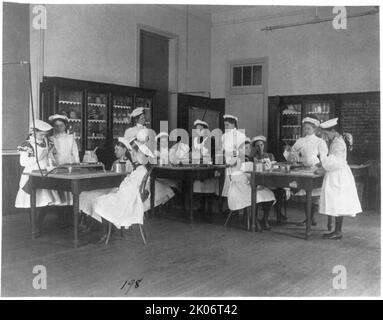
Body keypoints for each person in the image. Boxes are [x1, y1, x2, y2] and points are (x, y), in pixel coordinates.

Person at [91, 139, 155, 243]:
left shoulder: (140, 171)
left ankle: (106, 233)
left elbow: (130, 189)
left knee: (101, 200)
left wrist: (119, 193)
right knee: (104, 198)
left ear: (141, 156)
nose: (132, 156)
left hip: (128, 199)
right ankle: (107, 232)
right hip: (127, 196)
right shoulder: (140, 170)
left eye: (134, 154)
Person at [15, 120, 62, 234]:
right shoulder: (27, 144)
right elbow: (23, 162)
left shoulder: (46, 142)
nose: (43, 136)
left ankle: (38, 223)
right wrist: (39, 157)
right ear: (34, 132)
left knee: (46, 201)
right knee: (33, 201)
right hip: (32, 174)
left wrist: (52, 160)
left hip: (45, 174)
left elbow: (49, 157)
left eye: (45, 134)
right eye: (41, 134)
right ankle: (34, 226)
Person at [318, 118, 362, 240]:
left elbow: (331, 163)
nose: (325, 137)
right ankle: (337, 230)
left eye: (326, 134)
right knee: (337, 202)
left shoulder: (337, 143)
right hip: (338, 173)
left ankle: (338, 231)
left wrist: (322, 154)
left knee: (337, 201)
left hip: (338, 175)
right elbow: (332, 161)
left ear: (333, 131)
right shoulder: (337, 139)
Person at [79, 137, 134, 229]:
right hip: (112, 187)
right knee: (85, 194)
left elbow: (127, 182)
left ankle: (96, 224)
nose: (115, 151)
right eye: (115, 149)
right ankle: (86, 221)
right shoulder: (115, 162)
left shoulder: (128, 164)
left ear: (124, 150)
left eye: (117, 149)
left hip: (120, 190)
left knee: (95, 197)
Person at [286, 116, 328, 226]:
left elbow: (324, 157)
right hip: (303, 168)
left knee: (313, 194)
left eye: (308, 128)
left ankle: (311, 218)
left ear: (314, 129)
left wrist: (320, 167)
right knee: (304, 194)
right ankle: (308, 218)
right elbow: (292, 153)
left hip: (315, 168)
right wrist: (293, 155)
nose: (306, 130)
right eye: (305, 128)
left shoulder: (320, 141)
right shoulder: (300, 140)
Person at [227, 140, 276, 230]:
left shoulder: (250, 159)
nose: (249, 149)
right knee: (256, 195)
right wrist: (248, 181)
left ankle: (264, 219)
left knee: (269, 193)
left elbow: (254, 172)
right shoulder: (236, 159)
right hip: (239, 188)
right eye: (246, 148)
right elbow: (234, 177)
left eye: (249, 147)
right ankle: (254, 220)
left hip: (250, 184)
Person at [251, 135, 288, 223]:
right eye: (257, 146)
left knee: (280, 191)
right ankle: (265, 218)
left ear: (264, 145)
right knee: (267, 193)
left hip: (271, 180)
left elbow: (275, 167)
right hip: (261, 182)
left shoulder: (270, 155)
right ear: (255, 147)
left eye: (261, 145)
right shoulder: (254, 158)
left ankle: (278, 215)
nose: (260, 147)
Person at [192, 119, 219, 216]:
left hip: (209, 167)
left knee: (209, 187)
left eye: (200, 129)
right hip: (200, 165)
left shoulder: (210, 140)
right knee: (200, 186)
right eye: (197, 130)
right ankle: (202, 206)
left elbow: (213, 155)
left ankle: (209, 208)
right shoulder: (196, 140)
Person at [221, 114, 246, 198]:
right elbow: (222, 150)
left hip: (236, 163)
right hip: (226, 163)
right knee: (228, 187)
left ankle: (236, 210)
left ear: (234, 124)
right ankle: (231, 208)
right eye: (225, 125)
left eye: (227, 125)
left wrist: (232, 161)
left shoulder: (240, 136)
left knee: (236, 187)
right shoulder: (224, 136)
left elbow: (238, 150)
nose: (226, 127)